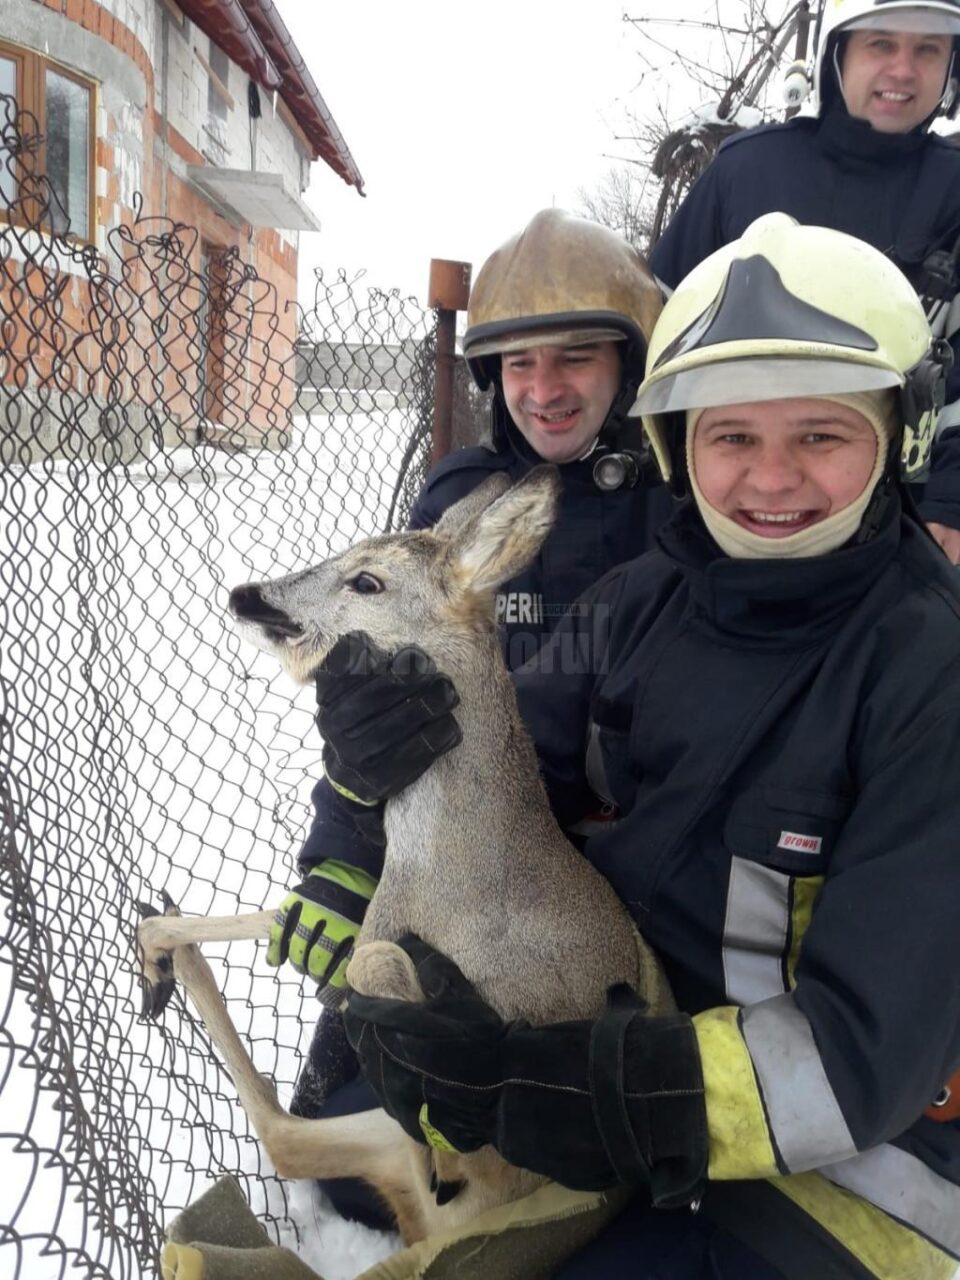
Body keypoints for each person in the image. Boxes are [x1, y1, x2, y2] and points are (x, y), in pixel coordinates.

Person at [321, 214, 960, 1278]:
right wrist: (377, 762)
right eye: (731, 437)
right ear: (677, 443)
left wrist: (576, 1089)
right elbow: (509, 770)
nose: (771, 478)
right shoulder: (632, 604)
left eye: (820, 435)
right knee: (355, 1157)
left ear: (901, 435)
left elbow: (859, 1056)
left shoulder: (929, 673)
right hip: (615, 1044)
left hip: (839, 1173)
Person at [265, 211, 673, 1221]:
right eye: (518, 363)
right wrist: (343, 853)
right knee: (360, 1159)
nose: (544, 388)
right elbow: (379, 704)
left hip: (618, 874)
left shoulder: (679, 504)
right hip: (459, 862)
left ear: (630, 364)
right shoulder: (457, 499)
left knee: (576, 1154)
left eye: (576, 357)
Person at [650, 0, 960, 563]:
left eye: (928, 50)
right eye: (881, 44)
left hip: (905, 529)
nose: (903, 70)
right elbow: (658, 333)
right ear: (837, 54)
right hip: (736, 515)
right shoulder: (745, 171)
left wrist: (953, 496)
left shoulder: (954, 189)